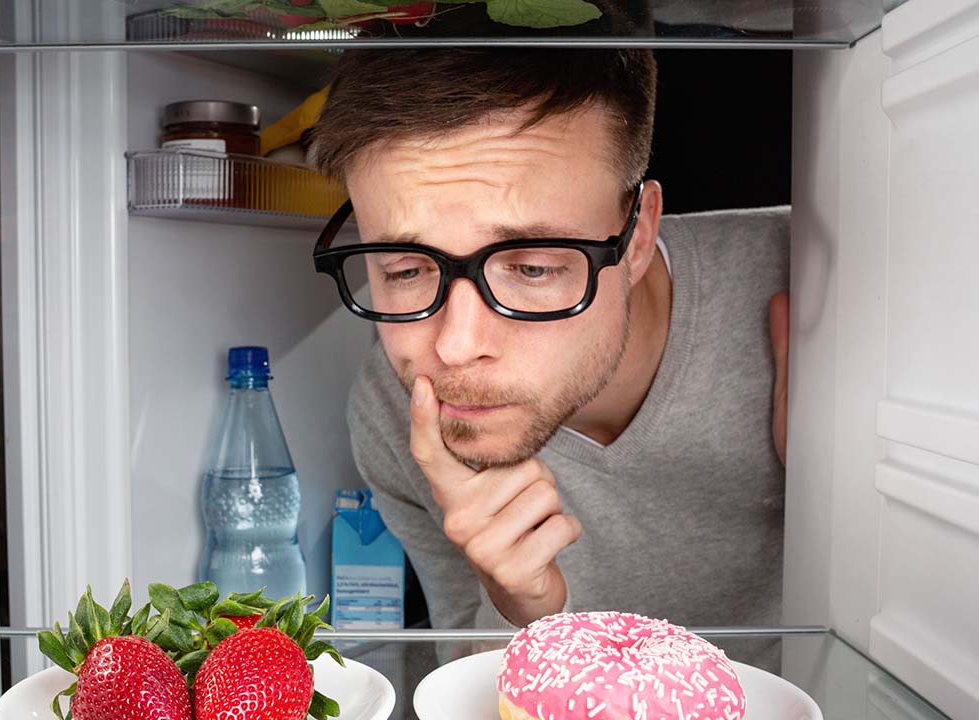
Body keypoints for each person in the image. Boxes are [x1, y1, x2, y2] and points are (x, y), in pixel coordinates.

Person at [309, 49, 790, 659]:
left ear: (637, 236)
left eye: (531, 267)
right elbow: (466, 690)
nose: (456, 347)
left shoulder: (836, 288)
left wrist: (844, 494)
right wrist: (523, 611)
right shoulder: (389, 409)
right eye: (406, 269)